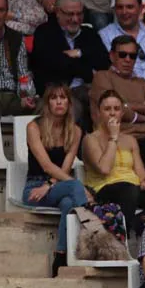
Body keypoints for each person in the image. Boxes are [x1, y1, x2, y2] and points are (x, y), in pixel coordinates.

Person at [23, 83, 88, 265]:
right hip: (34, 188)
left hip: (57, 185)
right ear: (47, 103)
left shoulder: (75, 130)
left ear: (69, 102)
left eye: (63, 98)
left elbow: (66, 167)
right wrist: (80, 189)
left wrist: (50, 185)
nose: (59, 102)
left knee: (68, 203)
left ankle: (60, 255)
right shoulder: (34, 127)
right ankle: (93, 231)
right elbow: (46, 166)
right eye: (54, 98)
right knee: (75, 186)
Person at [30, 0, 109, 124]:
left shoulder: (89, 34)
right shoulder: (44, 32)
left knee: (106, 102)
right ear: (58, 12)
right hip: (55, 93)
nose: (75, 19)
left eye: (79, 14)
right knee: (73, 107)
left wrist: (79, 52)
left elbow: (104, 61)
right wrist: (88, 71)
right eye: (70, 14)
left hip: (86, 90)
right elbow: (52, 65)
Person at [82, 89, 145, 232]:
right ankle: (122, 239)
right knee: (129, 190)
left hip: (133, 188)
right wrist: (113, 137)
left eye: (116, 109)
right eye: (107, 109)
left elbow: (140, 173)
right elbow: (104, 169)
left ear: (122, 112)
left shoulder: (130, 140)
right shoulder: (91, 139)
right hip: (104, 189)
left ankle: (140, 227)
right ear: (99, 113)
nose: (112, 113)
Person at [90, 35, 145, 164]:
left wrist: (129, 106)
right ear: (112, 56)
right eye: (122, 55)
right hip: (116, 138)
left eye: (132, 56)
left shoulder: (141, 82)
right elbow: (111, 110)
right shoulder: (102, 77)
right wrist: (143, 113)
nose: (127, 60)